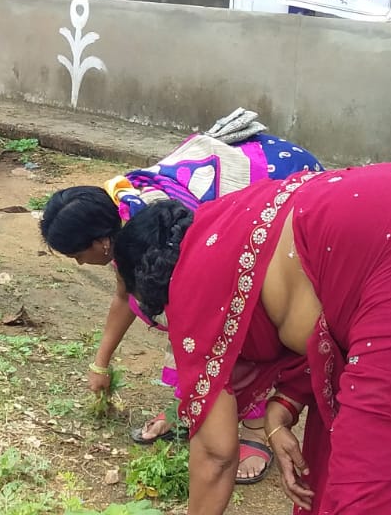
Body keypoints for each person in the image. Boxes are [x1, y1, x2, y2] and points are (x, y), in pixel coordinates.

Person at [112, 163, 391, 515]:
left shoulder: (189, 287)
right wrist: (282, 410)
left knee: (372, 479)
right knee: (355, 454)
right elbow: (320, 316)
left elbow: (216, 454)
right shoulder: (228, 223)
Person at [40, 132, 323, 484]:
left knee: (243, 316)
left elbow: (211, 315)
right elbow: (125, 295)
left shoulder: (165, 226)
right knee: (187, 315)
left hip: (280, 181)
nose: (81, 264)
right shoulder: (120, 224)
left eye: (77, 255)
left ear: (101, 243)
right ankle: (191, 405)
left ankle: (254, 425)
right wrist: (100, 363)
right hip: (225, 210)